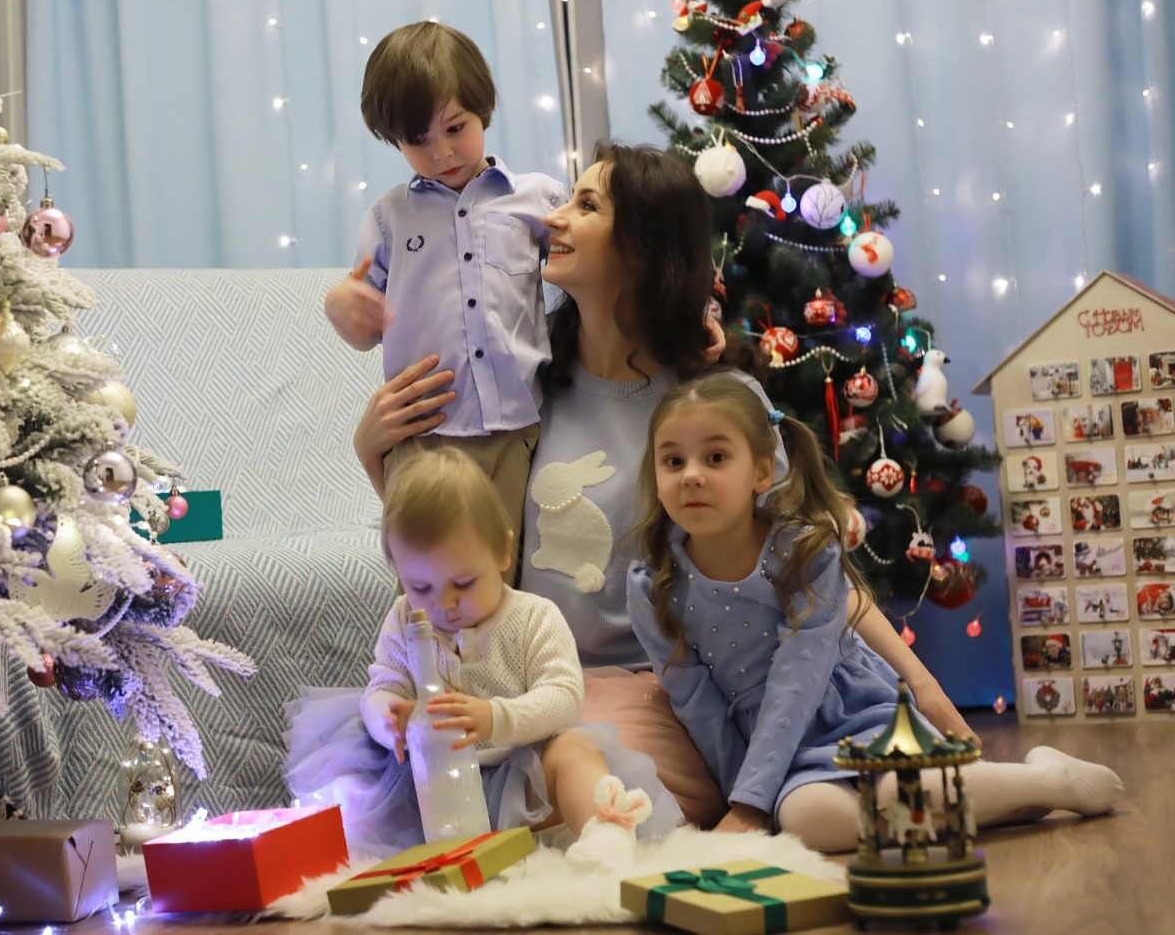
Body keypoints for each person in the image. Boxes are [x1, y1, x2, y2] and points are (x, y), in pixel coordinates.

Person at [353, 141, 979, 827]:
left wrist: (924, 689)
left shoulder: (710, 408)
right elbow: (464, 541)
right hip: (539, 677)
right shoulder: (523, 395)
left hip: (659, 689)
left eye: (585, 205)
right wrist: (371, 447)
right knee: (437, 767)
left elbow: (813, 566)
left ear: (643, 249)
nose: (552, 220)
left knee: (567, 778)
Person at [628, 371, 1123, 851]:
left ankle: (1051, 782)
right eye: (673, 461)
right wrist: (747, 802)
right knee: (810, 821)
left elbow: (798, 675)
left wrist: (752, 804)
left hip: (854, 711)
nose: (691, 475)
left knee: (896, 793)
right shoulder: (652, 585)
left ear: (761, 470)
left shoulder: (802, 552)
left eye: (715, 457)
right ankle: (1018, 793)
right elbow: (698, 704)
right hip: (777, 753)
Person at [283, 448, 679, 858]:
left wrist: (495, 718)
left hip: (523, 776)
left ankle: (604, 833)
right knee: (355, 773)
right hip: (431, 782)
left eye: (464, 582)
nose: (444, 603)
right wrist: (391, 720)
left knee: (576, 753)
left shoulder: (534, 617)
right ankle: (354, 846)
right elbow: (384, 684)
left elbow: (564, 697)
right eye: (421, 587)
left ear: (503, 553)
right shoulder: (405, 619)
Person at [324, 21, 564, 572]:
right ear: (395, 141)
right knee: (429, 589)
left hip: (520, 432)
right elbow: (363, 330)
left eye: (455, 127)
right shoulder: (389, 218)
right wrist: (340, 305)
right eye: (418, 141)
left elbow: (596, 272)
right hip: (422, 436)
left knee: (513, 583)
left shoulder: (538, 200)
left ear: (483, 109)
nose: (441, 152)